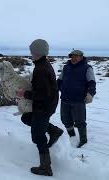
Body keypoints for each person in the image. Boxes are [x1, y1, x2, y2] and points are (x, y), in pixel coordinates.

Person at [16, 39, 63, 176]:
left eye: (32, 51)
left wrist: (24, 93)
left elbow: (42, 94)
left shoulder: (41, 69)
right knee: (26, 118)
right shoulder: (42, 65)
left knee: (38, 135)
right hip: (46, 104)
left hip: (44, 106)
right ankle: (53, 130)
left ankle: (45, 167)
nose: (30, 53)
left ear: (38, 52)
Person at [57, 50, 96, 148]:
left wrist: (90, 94)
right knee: (65, 119)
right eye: (72, 56)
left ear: (81, 57)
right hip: (65, 98)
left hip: (78, 100)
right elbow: (59, 81)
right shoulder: (66, 68)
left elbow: (92, 83)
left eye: (76, 56)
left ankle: (83, 140)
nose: (74, 58)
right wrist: (54, 90)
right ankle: (72, 136)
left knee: (80, 121)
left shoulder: (87, 68)